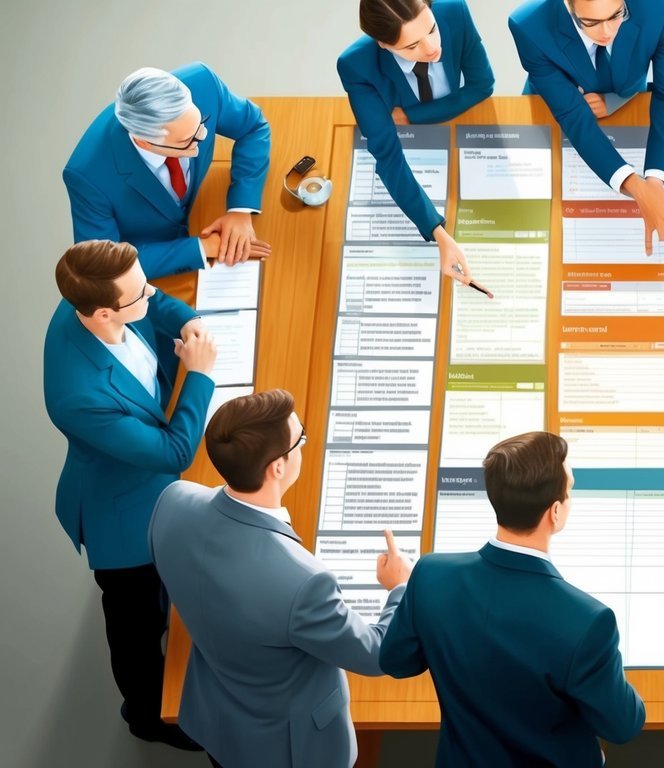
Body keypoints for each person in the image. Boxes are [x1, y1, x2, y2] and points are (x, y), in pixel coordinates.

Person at [149, 389, 411, 768]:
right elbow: (375, 654)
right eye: (300, 439)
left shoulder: (173, 501)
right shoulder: (304, 583)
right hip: (287, 750)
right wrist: (399, 587)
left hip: (214, 718)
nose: (305, 444)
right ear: (277, 467)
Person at [43, 240, 217, 751]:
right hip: (119, 516)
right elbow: (173, 451)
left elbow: (154, 301)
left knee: (165, 596)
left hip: (147, 481)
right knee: (135, 622)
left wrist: (187, 322)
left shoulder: (92, 287)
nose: (149, 294)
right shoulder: (79, 395)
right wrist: (201, 373)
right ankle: (147, 714)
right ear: (101, 313)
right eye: (137, 294)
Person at [380, 431, 644, 766]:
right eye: (571, 489)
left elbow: (396, 661)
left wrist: (399, 589)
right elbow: (624, 724)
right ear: (555, 512)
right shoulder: (588, 621)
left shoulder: (430, 575)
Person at [509, 0, 664, 254]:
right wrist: (636, 187)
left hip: (625, 99)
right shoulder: (529, 24)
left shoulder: (657, 6)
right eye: (590, 23)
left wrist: (654, 182)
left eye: (617, 15)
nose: (606, 32)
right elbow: (574, 117)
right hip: (556, 118)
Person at [64, 65, 272, 279]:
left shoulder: (203, 85)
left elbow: (254, 127)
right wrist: (202, 248)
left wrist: (240, 210)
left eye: (201, 123)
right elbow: (103, 266)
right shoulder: (87, 176)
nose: (204, 136)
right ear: (144, 143)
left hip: (202, 212)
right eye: (186, 140)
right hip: (152, 264)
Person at [338, 0, 494, 284]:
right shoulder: (355, 65)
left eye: (432, 30)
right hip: (416, 147)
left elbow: (482, 85)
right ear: (383, 45)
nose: (432, 48)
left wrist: (413, 115)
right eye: (411, 47)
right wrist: (438, 232)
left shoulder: (454, 10)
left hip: (446, 123)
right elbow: (388, 157)